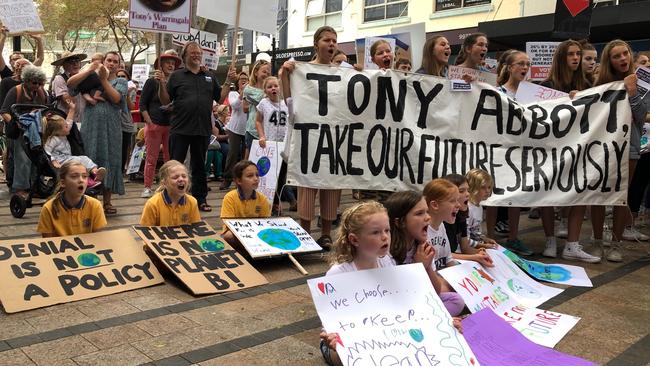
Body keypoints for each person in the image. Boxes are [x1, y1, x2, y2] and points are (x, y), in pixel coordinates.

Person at [278, 26, 342, 249]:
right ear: (316, 44)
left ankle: (325, 233)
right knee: (307, 183)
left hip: (333, 137)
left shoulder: (342, 74)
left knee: (331, 185)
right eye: (327, 40)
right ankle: (305, 232)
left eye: (334, 40)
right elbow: (288, 99)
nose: (331, 44)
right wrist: (284, 74)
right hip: (310, 135)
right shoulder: (301, 70)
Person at [540, 40, 601, 263]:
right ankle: (550, 240)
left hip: (579, 149)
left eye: (578, 54)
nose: (575, 58)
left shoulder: (587, 85)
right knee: (544, 195)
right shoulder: (545, 86)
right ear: (561, 58)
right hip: (550, 150)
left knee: (579, 193)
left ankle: (572, 245)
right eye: (570, 54)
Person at [595, 40, 650, 261]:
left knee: (621, 196)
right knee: (598, 193)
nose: (622, 59)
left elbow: (641, 116)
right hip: (602, 146)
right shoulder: (601, 83)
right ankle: (597, 241)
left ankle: (616, 244)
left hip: (631, 145)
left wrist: (633, 91)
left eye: (625, 53)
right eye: (616, 56)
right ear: (609, 60)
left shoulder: (642, 83)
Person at [158, 41, 222, 212]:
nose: (196, 55)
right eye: (192, 52)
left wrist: (229, 80)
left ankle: (200, 199)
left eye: (198, 52)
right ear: (185, 56)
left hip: (202, 129)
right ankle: (172, 198)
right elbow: (165, 100)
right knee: (175, 165)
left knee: (200, 165)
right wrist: (161, 84)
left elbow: (220, 98)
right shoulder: (176, 76)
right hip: (180, 128)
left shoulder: (209, 76)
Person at [384, 191, 467, 315]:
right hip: (398, 305)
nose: (428, 217)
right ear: (400, 222)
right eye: (419, 213)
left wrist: (427, 267)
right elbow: (396, 295)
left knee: (456, 300)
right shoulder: (386, 253)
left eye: (427, 211)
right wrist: (418, 267)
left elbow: (436, 290)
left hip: (418, 300)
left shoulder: (423, 247)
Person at [68, 51, 127, 215]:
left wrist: (102, 79)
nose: (112, 63)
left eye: (116, 61)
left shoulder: (121, 81)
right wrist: (89, 70)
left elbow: (116, 98)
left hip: (112, 127)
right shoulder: (90, 76)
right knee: (90, 157)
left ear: (119, 64)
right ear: (103, 61)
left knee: (110, 159)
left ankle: (107, 202)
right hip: (91, 125)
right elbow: (71, 85)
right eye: (109, 60)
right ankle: (87, 201)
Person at [494, 50, 530, 253]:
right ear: (509, 67)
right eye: (520, 64)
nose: (524, 68)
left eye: (527, 64)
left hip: (521, 151)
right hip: (500, 150)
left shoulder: (532, 93)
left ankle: (513, 237)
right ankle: (489, 236)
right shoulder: (497, 92)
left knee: (516, 195)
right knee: (492, 195)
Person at [0, 65, 48, 198]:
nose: (36, 85)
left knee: (36, 158)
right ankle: (20, 188)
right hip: (19, 130)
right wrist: (17, 123)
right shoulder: (15, 91)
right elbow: (4, 111)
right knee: (22, 159)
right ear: (26, 80)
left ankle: (35, 186)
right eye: (34, 82)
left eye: (39, 83)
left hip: (35, 129)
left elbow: (44, 106)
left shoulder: (38, 91)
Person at [139, 51, 181, 198]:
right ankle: (147, 186)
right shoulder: (152, 82)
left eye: (173, 63)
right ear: (160, 65)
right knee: (152, 157)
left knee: (170, 158)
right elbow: (142, 104)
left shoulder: (176, 82)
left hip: (172, 126)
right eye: (167, 62)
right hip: (154, 125)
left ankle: (167, 185)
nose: (171, 65)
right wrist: (149, 122)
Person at [254, 76, 297, 213]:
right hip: (270, 145)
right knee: (271, 175)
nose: (273, 88)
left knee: (283, 175)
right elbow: (258, 121)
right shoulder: (263, 103)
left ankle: (281, 201)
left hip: (284, 145)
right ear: (265, 90)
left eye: (275, 86)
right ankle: (271, 203)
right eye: (270, 87)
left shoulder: (287, 104)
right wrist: (262, 136)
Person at [36, 161, 107, 237]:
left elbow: (98, 240)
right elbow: (48, 243)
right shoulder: (48, 208)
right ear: (63, 183)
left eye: (84, 176)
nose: (81, 180)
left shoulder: (95, 205)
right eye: (74, 176)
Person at [43, 100, 106, 185]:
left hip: (67, 158)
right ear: (57, 131)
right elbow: (46, 151)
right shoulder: (53, 140)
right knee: (79, 161)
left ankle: (95, 172)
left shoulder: (63, 134)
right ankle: (90, 178)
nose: (68, 127)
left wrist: (72, 109)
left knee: (84, 159)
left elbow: (69, 121)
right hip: (61, 162)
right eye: (65, 126)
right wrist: (53, 161)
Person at [442, 174, 494, 268]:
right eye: (461, 191)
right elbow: (444, 256)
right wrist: (475, 256)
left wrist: (480, 252)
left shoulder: (461, 214)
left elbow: (465, 247)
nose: (467, 194)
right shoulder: (441, 221)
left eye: (468, 190)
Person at [220, 160, 271, 253]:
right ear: (239, 180)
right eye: (250, 176)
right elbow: (229, 223)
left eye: (257, 175)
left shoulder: (262, 199)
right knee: (228, 236)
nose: (256, 178)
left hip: (256, 233)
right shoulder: (230, 197)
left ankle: (251, 252)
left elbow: (265, 223)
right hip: (237, 234)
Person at [139, 160, 200, 226]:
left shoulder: (192, 202)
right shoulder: (153, 204)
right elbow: (146, 232)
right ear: (164, 183)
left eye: (184, 176)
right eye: (175, 177)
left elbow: (196, 228)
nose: (181, 179)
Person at [220, 71, 249, 190]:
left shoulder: (252, 93)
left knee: (244, 156)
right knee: (232, 154)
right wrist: (242, 92)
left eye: (246, 78)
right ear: (237, 82)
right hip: (235, 129)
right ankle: (227, 179)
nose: (243, 80)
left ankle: (242, 180)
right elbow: (235, 105)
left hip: (247, 129)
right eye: (241, 78)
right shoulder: (233, 93)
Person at [465, 169, 504, 253]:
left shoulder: (479, 206)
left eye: (489, 187)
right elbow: (464, 239)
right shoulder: (468, 208)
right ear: (472, 187)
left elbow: (476, 232)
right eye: (483, 187)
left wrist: (485, 239)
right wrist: (484, 246)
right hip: (467, 250)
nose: (487, 191)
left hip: (477, 246)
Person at [243, 60, 271, 159]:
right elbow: (262, 102)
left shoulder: (270, 89)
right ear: (256, 72)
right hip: (253, 129)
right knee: (252, 158)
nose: (267, 74)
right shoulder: (248, 89)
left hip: (268, 130)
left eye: (268, 72)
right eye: (264, 71)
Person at [49, 51, 88, 120]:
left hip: (83, 119)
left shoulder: (85, 77)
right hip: (65, 120)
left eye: (77, 61)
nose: (75, 64)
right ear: (64, 65)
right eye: (71, 62)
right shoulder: (60, 79)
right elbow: (69, 101)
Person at [116, 68, 137, 174]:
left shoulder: (132, 89)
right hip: (114, 122)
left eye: (123, 76)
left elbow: (131, 107)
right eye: (118, 76)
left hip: (126, 122)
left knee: (124, 148)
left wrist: (127, 94)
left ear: (128, 78)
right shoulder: (112, 87)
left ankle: (120, 173)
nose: (120, 78)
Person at [206, 104, 230, 180]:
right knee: (225, 150)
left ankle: (221, 173)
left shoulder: (226, 122)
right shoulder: (216, 123)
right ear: (223, 113)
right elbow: (217, 137)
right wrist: (228, 136)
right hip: (218, 143)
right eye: (227, 112)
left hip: (223, 142)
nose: (229, 113)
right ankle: (220, 173)